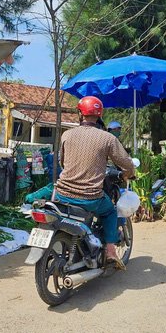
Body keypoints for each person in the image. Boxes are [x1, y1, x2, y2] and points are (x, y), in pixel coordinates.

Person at [55, 95, 136, 269]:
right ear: (99, 115)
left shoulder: (66, 135)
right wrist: (129, 173)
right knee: (110, 212)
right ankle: (110, 250)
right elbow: (126, 162)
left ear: (80, 114)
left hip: (62, 194)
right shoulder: (107, 138)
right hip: (90, 197)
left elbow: (62, 162)